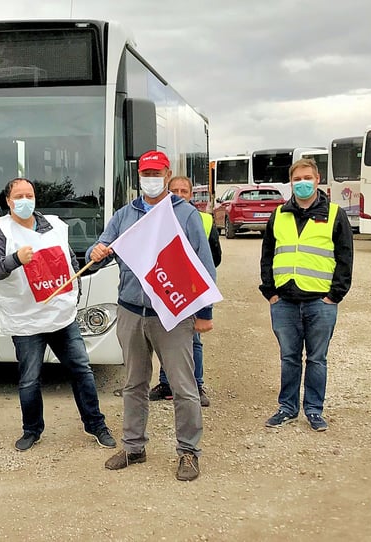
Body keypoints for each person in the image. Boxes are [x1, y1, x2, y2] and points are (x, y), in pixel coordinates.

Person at [88, 150, 215, 482]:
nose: (151, 178)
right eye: (146, 172)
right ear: (139, 176)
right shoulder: (124, 216)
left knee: (183, 386)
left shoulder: (185, 215)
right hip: (131, 312)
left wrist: (204, 312)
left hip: (172, 314)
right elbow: (100, 250)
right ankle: (134, 447)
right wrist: (96, 252)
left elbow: (204, 265)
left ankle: (189, 451)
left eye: (157, 172)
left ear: (167, 173)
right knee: (134, 384)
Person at [0, 177, 116, 451]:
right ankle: (32, 430)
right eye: (18, 196)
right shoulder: (1, 232)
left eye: (28, 195)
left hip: (61, 317)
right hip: (26, 322)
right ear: (8, 201)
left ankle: (96, 424)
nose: (24, 201)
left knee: (81, 371)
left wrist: (93, 267)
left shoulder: (54, 226)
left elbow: (72, 264)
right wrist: (15, 259)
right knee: (29, 379)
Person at [259, 158, 353, 431]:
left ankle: (314, 410)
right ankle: (287, 408)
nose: (302, 183)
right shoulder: (279, 214)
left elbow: (345, 257)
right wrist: (270, 291)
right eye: (297, 179)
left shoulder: (335, 214)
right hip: (284, 301)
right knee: (288, 357)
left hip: (320, 301)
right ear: (291, 182)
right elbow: (267, 255)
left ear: (317, 179)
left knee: (316, 359)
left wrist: (335, 295)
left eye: (307, 178)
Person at [149, 175, 222, 407]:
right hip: (165, 284)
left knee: (193, 339)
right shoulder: (157, 218)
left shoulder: (202, 219)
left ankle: (196, 385)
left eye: (184, 191)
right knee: (165, 334)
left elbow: (213, 257)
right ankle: (166, 383)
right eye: (175, 191)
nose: (179, 195)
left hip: (190, 289)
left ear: (191, 195)